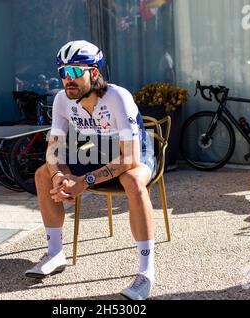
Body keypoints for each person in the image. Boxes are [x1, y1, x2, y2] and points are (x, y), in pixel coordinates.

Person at [25, 40, 157, 300]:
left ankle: (146, 272)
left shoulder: (118, 97)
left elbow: (128, 157)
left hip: (135, 151)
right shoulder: (62, 100)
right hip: (95, 150)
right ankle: (54, 253)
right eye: (63, 72)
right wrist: (60, 176)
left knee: (132, 180)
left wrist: (84, 181)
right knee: (43, 173)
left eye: (75, 72)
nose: (67, 80)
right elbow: (53, 150)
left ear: (94, 73)